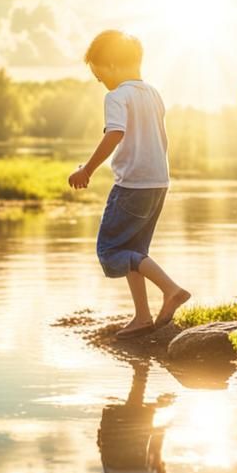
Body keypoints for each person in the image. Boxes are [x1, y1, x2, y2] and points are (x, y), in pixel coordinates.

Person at [69, 30, 190, 338]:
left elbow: (115, 133)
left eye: (99, 76)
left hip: (132, 185)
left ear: (109, 64)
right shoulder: (153, 93)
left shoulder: (117, 96)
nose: (101, 82)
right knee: (135, 252)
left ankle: (171, 289)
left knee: (111, 251)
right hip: (158, 183)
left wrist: (88, 169)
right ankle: (142, 316)